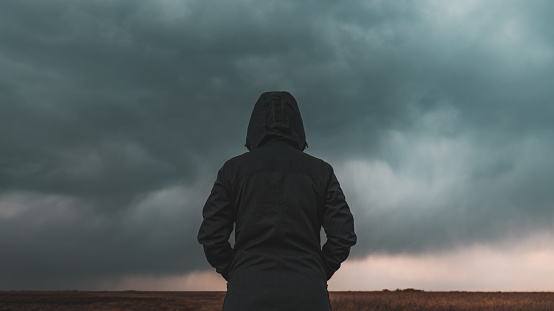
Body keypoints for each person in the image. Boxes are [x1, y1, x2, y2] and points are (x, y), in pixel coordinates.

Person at [198, 91, 356, 310]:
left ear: (254, 125)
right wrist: (317, 271)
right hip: (309, 294)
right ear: (297, 125)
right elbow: (343, 236)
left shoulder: (232, 170)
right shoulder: (322, 172)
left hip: (245, 294)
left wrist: (238, 272)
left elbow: (211, 237)